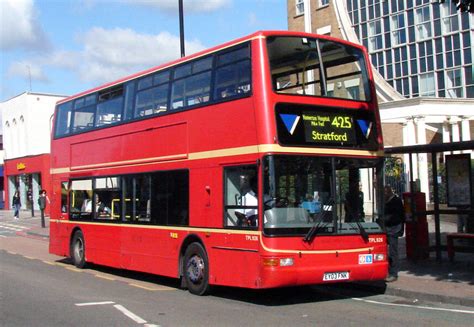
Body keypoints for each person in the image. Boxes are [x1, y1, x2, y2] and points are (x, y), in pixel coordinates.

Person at [383, 185, 405, 282]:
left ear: (388, 192)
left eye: (385, 193)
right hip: (387, 229)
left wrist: (385, 219)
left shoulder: (396, 201)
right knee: (385, 251)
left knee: (393, 252)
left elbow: (398, 216)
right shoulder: (385, 201)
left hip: (394, 229)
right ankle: (387, 270)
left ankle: (393, 273)